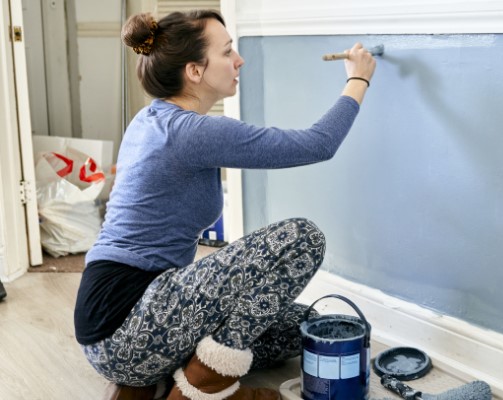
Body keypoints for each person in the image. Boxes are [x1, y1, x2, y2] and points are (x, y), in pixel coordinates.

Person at [73, 9, 376, 400]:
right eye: (228, 51)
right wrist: (358, 78)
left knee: (301, 324)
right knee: (302, 238)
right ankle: (204, 386)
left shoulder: (150, 119)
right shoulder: (190, 131)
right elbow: (319, 144)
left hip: (122, 326)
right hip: (125, 321)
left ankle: (150, 383)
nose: (239, 60)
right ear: (195, 71)